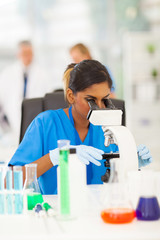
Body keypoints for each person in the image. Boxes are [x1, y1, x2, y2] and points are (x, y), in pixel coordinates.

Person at [8, 60, 152, 194]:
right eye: (91, 100)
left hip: (99, 209)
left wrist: (131, 162)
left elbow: (119, 182)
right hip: (58, 211)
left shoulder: (108, 128)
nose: (100, 107)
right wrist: (54, 157)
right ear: (71, 96)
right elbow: (10, 182)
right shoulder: (46, 123)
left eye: (105, 99)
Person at [0, 40, 53, 144]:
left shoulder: (42, 75)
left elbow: (48, 102)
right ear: (18, 54)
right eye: (24, 53)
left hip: (36, 125)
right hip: (11, 128)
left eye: (30, 53)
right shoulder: (7, 74)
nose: (27, 56)